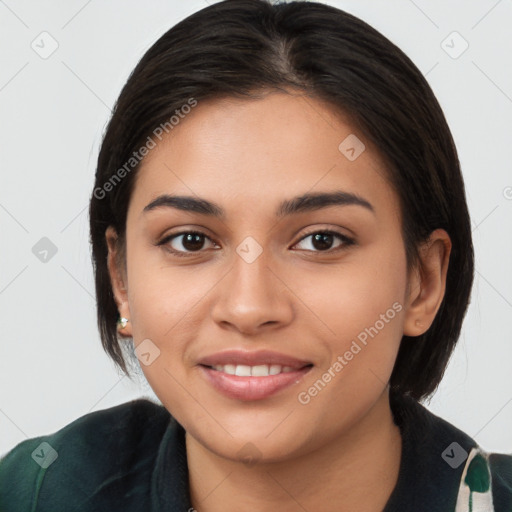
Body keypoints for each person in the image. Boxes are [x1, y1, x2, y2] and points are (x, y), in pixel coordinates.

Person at [0, 0, 510, 510]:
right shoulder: (35, 493)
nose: (249, 308)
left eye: (321, 240)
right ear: (121, 279)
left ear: (422, 282)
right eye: (190, 240)